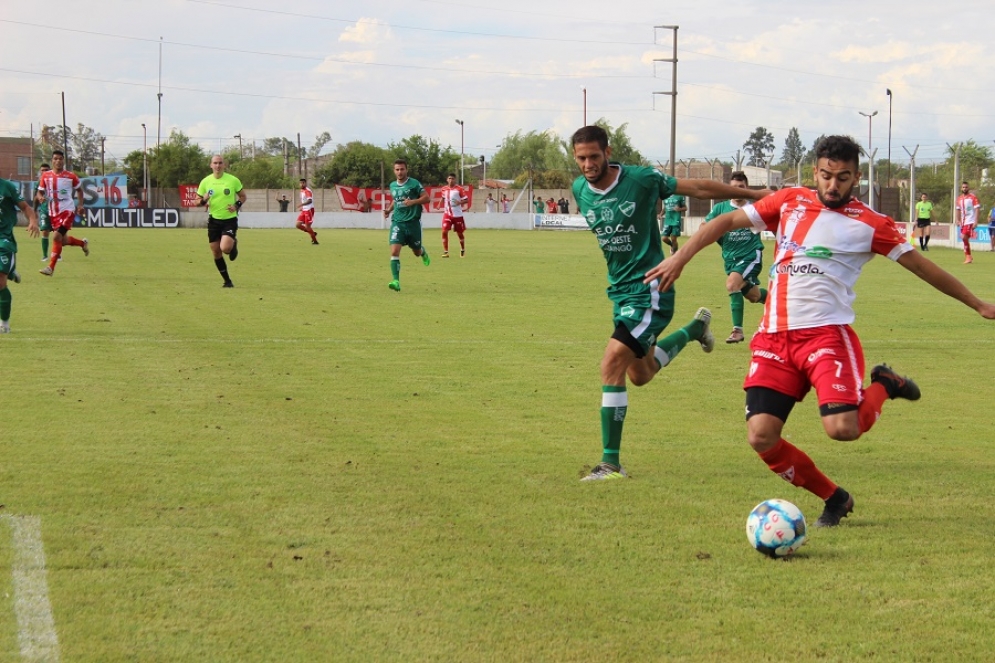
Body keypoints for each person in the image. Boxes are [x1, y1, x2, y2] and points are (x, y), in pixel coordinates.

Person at [645, 135, 995, 525]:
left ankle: (885, 384)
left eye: (843, 178)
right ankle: (835, 498)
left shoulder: (872, 224)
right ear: (816, 172)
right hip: (774, 338)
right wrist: (680, 256)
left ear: (855, 178)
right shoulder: (790, 200)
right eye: (827, 176)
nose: (833, 185)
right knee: (761, 435)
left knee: (842, 429)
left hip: (826, 336)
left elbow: (921, 266)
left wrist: (979, 303)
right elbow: (726, 220)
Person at [570, 125, 769, 482]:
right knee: (640, 373)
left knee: (612, 361)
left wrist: (755, 193)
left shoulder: (642, 180)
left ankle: (610, 464)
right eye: (581, 158)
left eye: (594, 157)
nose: (588, 164)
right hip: (619, 292)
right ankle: (695, 330)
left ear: (608, 152)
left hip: (651, 288)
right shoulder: (579, 189)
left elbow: (701, 188)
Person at [703, 171, 768, 344]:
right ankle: (778, 300)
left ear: (747, 188)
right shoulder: (720, 209)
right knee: (753, 296)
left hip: (750, 255)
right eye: (734, 188)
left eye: (741, 187)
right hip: (730, 259)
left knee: (732, 284)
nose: (738, 190)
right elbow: (704, 227)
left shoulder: (755, 208)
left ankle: (737, 331)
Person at [194, 154, 245, 288]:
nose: (217, 165)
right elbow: (196, 202)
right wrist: (204, 200)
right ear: (211, 165)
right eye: (215, 163)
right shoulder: (205, 182)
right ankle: (227, 281)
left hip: (229, 220)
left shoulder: (233, 180)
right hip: (213, 221)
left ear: (224, 165)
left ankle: (233, 245)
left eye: (220, 163)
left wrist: (236, 205)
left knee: (225, 248)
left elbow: (243, 196)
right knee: (216, 252)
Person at [36, 150, 88, 276]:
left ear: (64, 161)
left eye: (60, 159)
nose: (58, 161)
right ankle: (83, 243)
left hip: (67, 210)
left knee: (56, 237)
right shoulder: (46, 176)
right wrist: (40, 197)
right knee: (63, 241)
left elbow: (80, 191)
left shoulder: (70, 176)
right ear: (52, 161)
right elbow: (40, 192)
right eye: (55, 159)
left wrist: (80, 205)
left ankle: (50, 268)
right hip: (53, 212)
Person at [0, 177, 40, 333]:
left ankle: (4, 324)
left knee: (0, 281)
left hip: (3, 239)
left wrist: (33, 221)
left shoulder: (7, 186)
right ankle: (11, 270)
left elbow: (25, 207)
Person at [385, 158, 430, 292]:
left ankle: (422, 251)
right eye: (397, 169)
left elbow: (427, 198)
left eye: (402, 169)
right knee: (394, 251)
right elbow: (395, 200)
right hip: (397, 222)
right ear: (394, 171)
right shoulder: (392, 185)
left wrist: (413, 202)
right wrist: (389, 210)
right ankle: (396, 281)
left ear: (406, 169)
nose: (400, 172)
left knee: (416, 252)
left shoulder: (414, 183)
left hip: (413, 223)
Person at [440, 173, 467, 258]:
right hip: (447, 214)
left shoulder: (459, 189)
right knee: (444, 231)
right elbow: (443, 197)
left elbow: (466, 200)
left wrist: (459, 202)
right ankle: (446, 252)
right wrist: (439, 204)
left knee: (459, 233)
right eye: (449, 178)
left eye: (452, 178)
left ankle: (462, 248)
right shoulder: (443, 189)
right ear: (447, 179)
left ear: (455, 180)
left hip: (457, 215)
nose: (451, 180)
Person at [955, 181, 981, 264]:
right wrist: (957, 220)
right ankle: (968, 256)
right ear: (961, 188)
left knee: (963, 237)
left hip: (970, 220)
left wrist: (976, 221)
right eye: (963, 187)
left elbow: (977, 209)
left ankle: (968, 256)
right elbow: (958, 210)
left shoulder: (972, 197)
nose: (964, 188)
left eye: (966, 187)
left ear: (968, 188)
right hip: (963, 222)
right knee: (964, 238)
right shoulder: (959, 198)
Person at [34, 164, 52, 261]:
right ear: (40, 172)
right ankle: (45, 255)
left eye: (46, 170)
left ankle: (57, 253)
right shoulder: (38, 184)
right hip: (44, 210)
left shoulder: (55, 181)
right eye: (42, 170)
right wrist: (34, 211)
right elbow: (36, 198)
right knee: (45, 231)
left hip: (57, 211)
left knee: (59, 233)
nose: (44, 171)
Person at [295, 178, 318, 245]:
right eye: (300, 183)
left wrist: (302, 204)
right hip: (304, 210)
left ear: (305, 183)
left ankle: (315, 241)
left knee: (308, 227)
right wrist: (303, 207)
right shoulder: (302, 190)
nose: (301, 184)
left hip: (309, 210)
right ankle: (313, 233)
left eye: (303, 183)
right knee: (298, 225)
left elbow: (309, 201)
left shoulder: (307, 191)